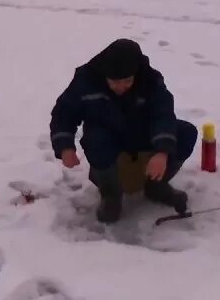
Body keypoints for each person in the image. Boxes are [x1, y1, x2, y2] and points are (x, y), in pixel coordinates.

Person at [49, 38, 197, 224]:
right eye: (114, 82)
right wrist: (65, 147)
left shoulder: (150, 80)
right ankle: (110, 195)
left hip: (141, 130)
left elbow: (163, 114)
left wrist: (162, 151)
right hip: (106, 134)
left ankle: (156, 186)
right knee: (94, 139)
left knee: (186, 133)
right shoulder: (86, 79)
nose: (121, 87)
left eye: (127, 81)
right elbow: (64, 113)